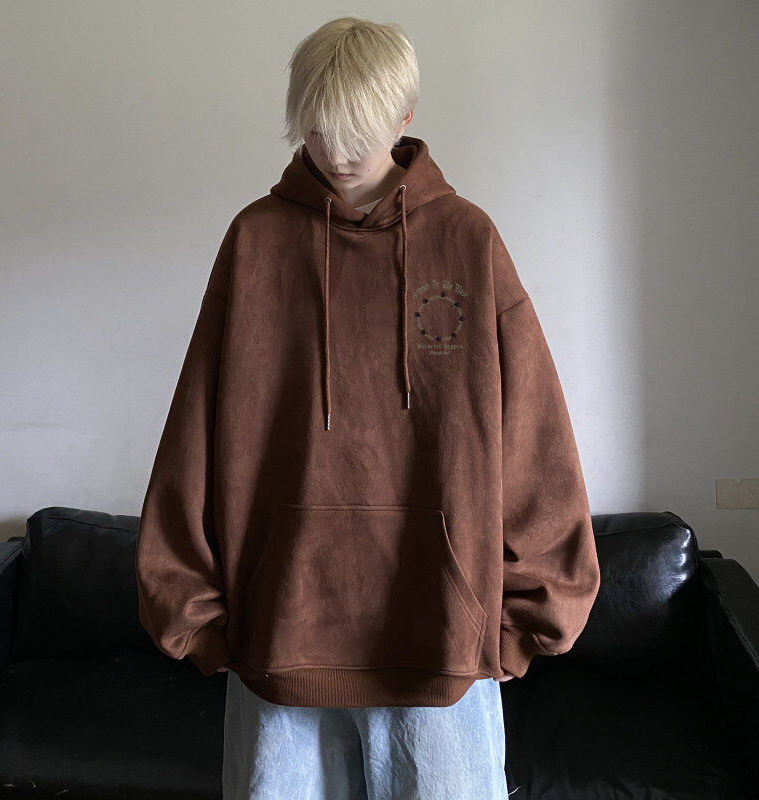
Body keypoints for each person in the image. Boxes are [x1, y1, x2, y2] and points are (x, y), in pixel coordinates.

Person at [135, 15, 600, 800]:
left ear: (405, 116)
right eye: (318, 130)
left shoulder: (466, 240)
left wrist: (526, 619)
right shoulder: (255, 242)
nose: (337, 153)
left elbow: (533, 435)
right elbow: (195, 433)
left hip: (442, 645)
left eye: (358, 131)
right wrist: (195, 613)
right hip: (278, 641)